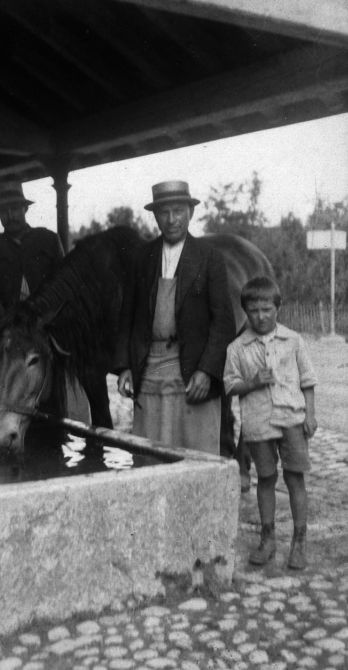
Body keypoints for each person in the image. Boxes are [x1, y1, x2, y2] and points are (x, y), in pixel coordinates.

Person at [114, 180, 236, 454]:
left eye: (178, 211)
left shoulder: (209, 257)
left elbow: (223, 323)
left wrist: (206, 371)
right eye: (164, 213)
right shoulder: (141, 257)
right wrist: (124, 367)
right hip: (151, 368)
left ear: (190, 212)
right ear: (155, 216)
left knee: (196, 454)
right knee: (150, 452)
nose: (171, 220)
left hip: (192, 370)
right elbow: (127, 317)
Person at [224, 276, 317, 569]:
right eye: (253, 310)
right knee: (265, 479)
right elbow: (229, 385)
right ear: (245, 312)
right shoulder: (237, 348)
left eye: (266, 309)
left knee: (294, 478)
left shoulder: (293, 340)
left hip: (292, 419)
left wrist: (310, 414)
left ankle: (299, 542)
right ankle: (268, 539)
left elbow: (308, 380)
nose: (260, 316)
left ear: (278, 307)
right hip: (258, 423)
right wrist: (250, 383)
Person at [0, 180, 64, 320]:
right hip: (6, 328)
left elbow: (63, 283)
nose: (10, 216)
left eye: (14, 208)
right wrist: (2, 318)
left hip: (47, 324)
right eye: (3, 211)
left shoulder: (49, 240)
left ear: (25, 208)